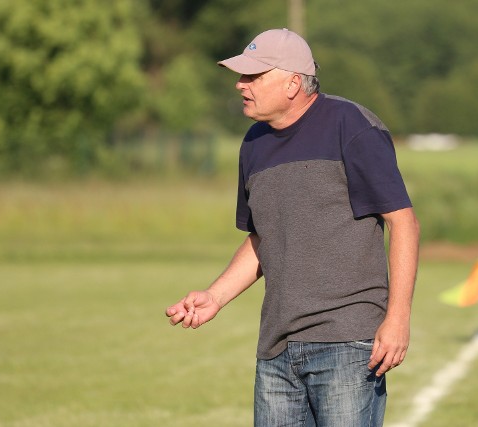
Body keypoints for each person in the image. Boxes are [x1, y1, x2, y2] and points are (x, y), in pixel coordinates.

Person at [165, 28, 420, 426]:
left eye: (253, 76)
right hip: (276, 349)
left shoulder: (352, 125)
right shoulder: (253, 144)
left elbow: (403, 223)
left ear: (292, 83)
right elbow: (263, 239)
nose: (240, 84)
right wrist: (215, 297)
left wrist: (398, 317)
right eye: (241, 76)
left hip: (347, 344)